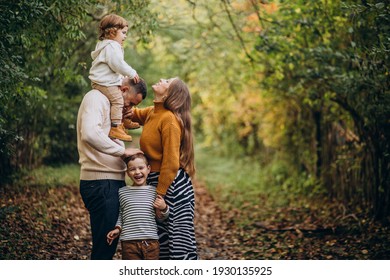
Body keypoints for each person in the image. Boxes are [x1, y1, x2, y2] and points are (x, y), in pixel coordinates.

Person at [126, 77, 198, 260]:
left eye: (167, 81)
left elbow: (171, 162)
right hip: (157, 181)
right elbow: (131, 113)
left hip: (172, 186)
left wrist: (160, 194)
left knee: (177, 242)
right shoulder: (153, 112)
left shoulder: (169, 120)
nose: (161, 79)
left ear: (170, 93)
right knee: (160, 241)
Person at [77, 76, 147, 260]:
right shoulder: (96, 98)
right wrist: (121, 152)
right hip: (102, 184)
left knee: (106, 247)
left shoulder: (110, 106)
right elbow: (90, 134)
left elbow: (106, 134)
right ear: (123, 89)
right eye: (130, 102)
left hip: (110, 182)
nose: (129, 107)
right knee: (104, 251)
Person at [106, 153, 169, 260]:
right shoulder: (122, 192)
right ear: (127, 173)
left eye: (141, 168)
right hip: (129, 243)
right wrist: (118, 228)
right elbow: (122, 214)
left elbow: (162, 218)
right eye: (132, 169)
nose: (137, 172)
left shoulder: (155, 191)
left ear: (148, 169)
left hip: (151, 242)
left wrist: (164, 208)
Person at [89, 13, 140, 142]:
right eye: (123, 32)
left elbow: (113, 67)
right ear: (112, 32)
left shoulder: (106, 45)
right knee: (118, 100)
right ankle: (116, 127)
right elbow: (117, 64)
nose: (125, 36)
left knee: (121, 97)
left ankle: (124, 121)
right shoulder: (112, 46)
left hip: (104, 81)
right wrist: (131, 72)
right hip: (103, 83)